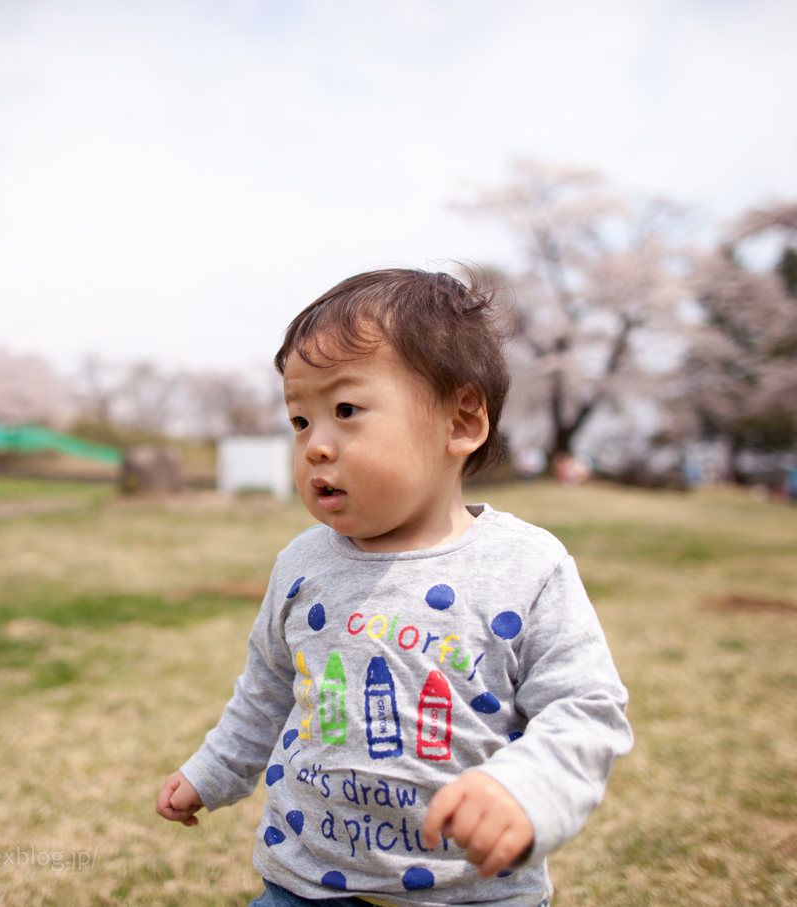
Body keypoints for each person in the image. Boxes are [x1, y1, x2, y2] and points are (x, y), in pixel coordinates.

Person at [156, 269, 632, 906]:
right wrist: (212, 772)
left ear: (461, 422)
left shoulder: (528, 568)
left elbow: (585, 710)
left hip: (470, 894)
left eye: (346, 411)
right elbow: (267, 690)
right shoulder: (302, 564)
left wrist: (527, 790)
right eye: (300, 420)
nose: (316, 447)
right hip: (304, 883)